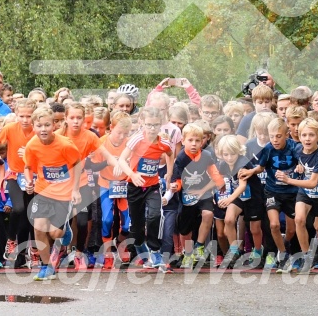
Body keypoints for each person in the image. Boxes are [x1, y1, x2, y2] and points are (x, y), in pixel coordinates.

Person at [23, 107, 82, 281]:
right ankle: (47, 266)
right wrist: (29, 181)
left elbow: (77, 164)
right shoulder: (32, 145)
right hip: (43, 190)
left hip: (64, 193)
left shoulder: (65, 144)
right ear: (33, 126)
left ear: (54, 125)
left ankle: (66, 232)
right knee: (39, 227)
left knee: (55, 233)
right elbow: (28, 167)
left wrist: (76, 189)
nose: (43, 129)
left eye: (47, 125)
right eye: (39, 125)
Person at [239, 118, 301, 271]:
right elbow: (260, 167)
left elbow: (303, 160)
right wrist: (250, 171)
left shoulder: (294, 147)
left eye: (278, 136)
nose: (275, 140)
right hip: (272, 191)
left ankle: (284, 244)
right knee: (274, 224)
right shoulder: (268, 148)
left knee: (292, 229)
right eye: (272, 136)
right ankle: (283, 254)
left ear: (287, 135)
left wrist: (300, 165)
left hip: (291, 192)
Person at [118, 107, 174, 271]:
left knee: (155, 215)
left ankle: (155, 251)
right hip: (134, 186)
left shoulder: (163, 142)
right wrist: (132, 174)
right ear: (142, 123)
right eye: (149, 125)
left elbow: (170, 154)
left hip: (153, 186)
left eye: (155, 125)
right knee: (136, 226)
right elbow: (122, 159)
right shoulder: (136, 140)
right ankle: (142, 250)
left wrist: (169, 173)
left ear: (160, 125)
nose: (152, 128)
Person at [0, 99, 37, 266]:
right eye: (21, 116)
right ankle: (11, 240)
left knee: (28, 216)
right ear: (16, 115)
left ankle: (23, 254)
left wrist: (30, 153)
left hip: (33, 176)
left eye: (28, 116)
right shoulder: (9, 128)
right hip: (14, 176)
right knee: (19, 208)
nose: (25, 120)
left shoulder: (39, 131)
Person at [57, 102, 101, 270]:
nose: (75, 121)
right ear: (66, 118)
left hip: (82, 183)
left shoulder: (90, 136)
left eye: (79, 118)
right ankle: (60, 250)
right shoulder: (57, 136)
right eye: (72, 118)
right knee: (61, 224)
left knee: (82, 222)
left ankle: (79, 253)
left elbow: (104, 154)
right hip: (61, 184)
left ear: (84, 119)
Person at [173, 124, 224, 269]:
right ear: (183, 141)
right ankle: (188, 255)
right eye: (190, 140)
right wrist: (175, 186)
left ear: (202, 141)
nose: (194, 144)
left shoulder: (207, 155)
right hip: (187, 194)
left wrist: (219, 182)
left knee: (208, 214)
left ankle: (200, 246)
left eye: (197, 140)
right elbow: (177, 177)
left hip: (204, 191)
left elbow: (213, 171)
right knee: (185, 230)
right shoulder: (181, 157)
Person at [287, 118, 318, 273]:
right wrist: (298, 166)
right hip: (305, 192)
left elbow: (313, 182)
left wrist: (289, 180)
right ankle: (307, 256)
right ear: (299, 137)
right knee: (299, 219)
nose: (308, 139)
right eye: (304, 135)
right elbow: (296, 159)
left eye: (312, 135)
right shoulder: (297, 149)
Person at [89, 111, 132, 269]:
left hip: (124, 185)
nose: (122, 136)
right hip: (106, 184)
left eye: (125, 133)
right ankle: (107, 253)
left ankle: (121, 243)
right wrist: (109, 162)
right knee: (107, 220)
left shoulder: (130, 143)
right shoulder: (102, 142)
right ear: (111, 128)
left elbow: (134, 163)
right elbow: (93, 166)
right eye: (119, 132)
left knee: (127, 225)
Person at [217, 135, 264, 268]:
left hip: (253, 197)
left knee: (254, 229)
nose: (229, 157)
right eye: (226, 154)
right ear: (221, 154)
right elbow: (221, 177)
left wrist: (229, 199)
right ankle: (234, 252)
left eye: (232, 154)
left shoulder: (243, 163)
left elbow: (243, 185)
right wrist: (219, 187)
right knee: (229, 220)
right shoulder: (223, 164)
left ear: (238, 151)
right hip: (238, 196)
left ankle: (258, 252)